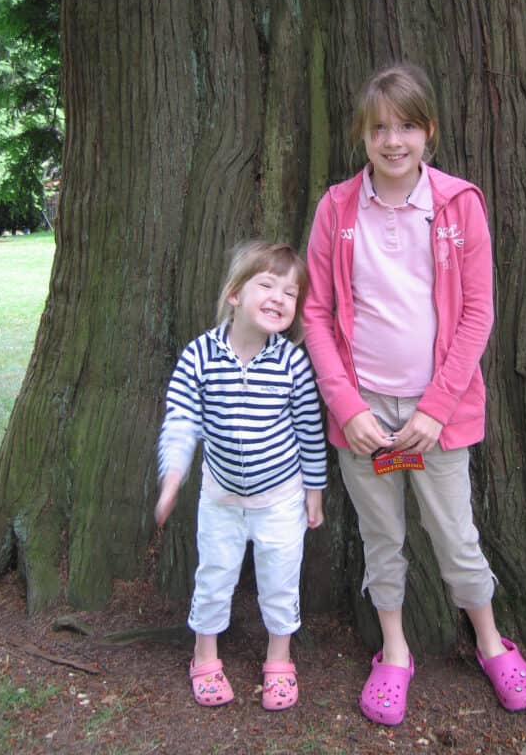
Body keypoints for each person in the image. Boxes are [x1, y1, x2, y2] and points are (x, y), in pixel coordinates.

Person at [304, 62, 526, 725]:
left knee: (456, 536)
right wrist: (346, 408)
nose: (393, 140)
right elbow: (316, 313)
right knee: (382, 540)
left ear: (428, 130)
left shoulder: (459, 204)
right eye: (380, 128)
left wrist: (437, 410)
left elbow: (477, 314)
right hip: (365, 419)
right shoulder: (336, 209)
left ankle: (492, 643)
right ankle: (395, 653)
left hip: (439, 415)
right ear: (363, 136)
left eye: (406, 125)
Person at [155, 241, 327, 710]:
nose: (278, 298)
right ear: (234, 294)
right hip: (220, 499)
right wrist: (173, 477)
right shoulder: (199, 356)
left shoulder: (292, 362)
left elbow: (310, 430)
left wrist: (315, 491)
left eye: (290, 293)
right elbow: (182, 418)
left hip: (280, 500)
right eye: (266, 285)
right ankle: (204, 655)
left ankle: (279, 660)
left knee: (280, 580)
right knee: (214, 577)